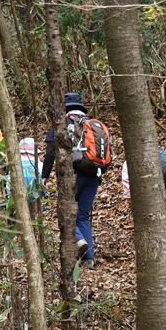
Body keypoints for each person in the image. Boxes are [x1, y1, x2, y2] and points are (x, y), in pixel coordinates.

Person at [40, 93, 107, 269]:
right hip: (94, 174)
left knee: (64, 212)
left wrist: (45, 175)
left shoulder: (63, 123)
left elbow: (51, 150)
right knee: (83, 216)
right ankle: (89, 258)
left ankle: (80, 241)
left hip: (73, 175)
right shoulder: (90, 124)